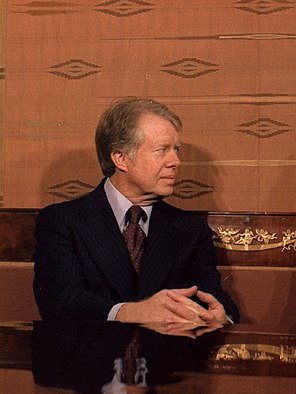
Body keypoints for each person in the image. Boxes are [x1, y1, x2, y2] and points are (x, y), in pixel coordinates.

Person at [33, 97, 239, 324]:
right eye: (163, 150)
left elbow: (217, 302)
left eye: (176, 150)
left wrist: (221, 319)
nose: (176, 161)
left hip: (165, 356)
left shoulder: (190, 229)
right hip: (91, 355)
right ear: (121, 159)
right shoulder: (62, 221)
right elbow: (60, 301)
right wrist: (132, 312)